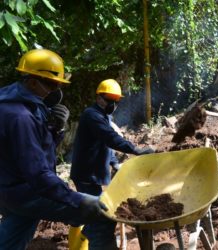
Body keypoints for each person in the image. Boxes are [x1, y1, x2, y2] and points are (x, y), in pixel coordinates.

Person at [0, 49, 112, 250]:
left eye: (58, 85)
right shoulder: (21, 116)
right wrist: (77, 199)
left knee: (14, 237)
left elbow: (34, 149)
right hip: (26, 192)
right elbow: (38, 174)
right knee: (103, 213)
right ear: (32, 81)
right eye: (51, 84)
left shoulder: (16, 101)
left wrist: (55, 128)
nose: (56, 90)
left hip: (10, 187)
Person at [70, 79, 154, 245]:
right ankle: (95, 239)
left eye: (116, 101)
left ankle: (89, 233)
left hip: (93, 175)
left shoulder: (104, 116)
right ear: (99, 98)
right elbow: (110, 138)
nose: (113, 104)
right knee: (101, 218)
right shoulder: (92, 115)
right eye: (109, 100)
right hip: (86, 175)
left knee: (97, 215)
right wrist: (135, 149)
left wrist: (114, 163)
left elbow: (105, 145)